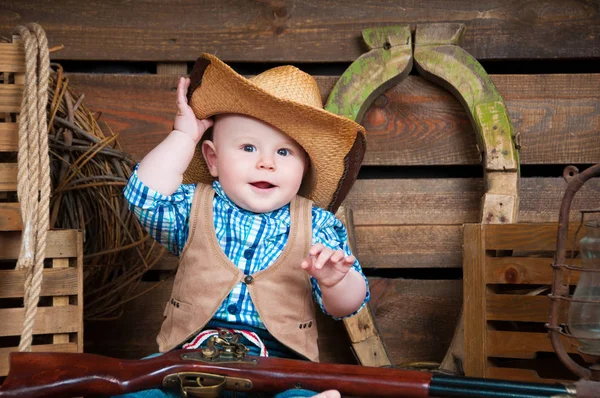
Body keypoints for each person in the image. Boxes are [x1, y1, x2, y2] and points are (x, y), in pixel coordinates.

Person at [121, 53, 369, 398]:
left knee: (298, 393)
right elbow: (143, 196)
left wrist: (336, 281)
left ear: (304, 169)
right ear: (213, 159)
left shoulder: (316, 225)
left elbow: (348, 306)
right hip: (186, 359)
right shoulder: (194, 206)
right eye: (248, 147)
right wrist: (183, 136)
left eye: (284, 153)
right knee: (138, 390)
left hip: (280, 368)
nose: (266, 163)